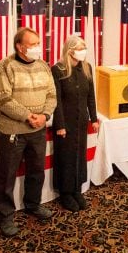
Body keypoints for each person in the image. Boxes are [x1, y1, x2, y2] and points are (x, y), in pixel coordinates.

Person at [0, 27, 57, 236]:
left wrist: (45, 116)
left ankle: (33, 204)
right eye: (33, 44)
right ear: (20, 47)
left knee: (37, 171)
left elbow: (51, 95)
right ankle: (5, 216)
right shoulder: (5, 67)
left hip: (37, 130)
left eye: (38, 43)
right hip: (13, 131)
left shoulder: (44, 66)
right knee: (7, 175)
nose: (38, 48)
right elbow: (3, 99)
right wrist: (28, 116)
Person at [51, 35, 98, 212]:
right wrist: (60, 125)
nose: (83, 52)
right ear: (70, 51)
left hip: (81, 122)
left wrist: (93, 118)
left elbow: (90, 96)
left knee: (79, 155)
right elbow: (57, 101)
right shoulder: (58, 69)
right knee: (66, 157)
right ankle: (65, 192)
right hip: (66, 122)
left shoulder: (87, 68)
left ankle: (77, 189)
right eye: (79, 49)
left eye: (84, 48)